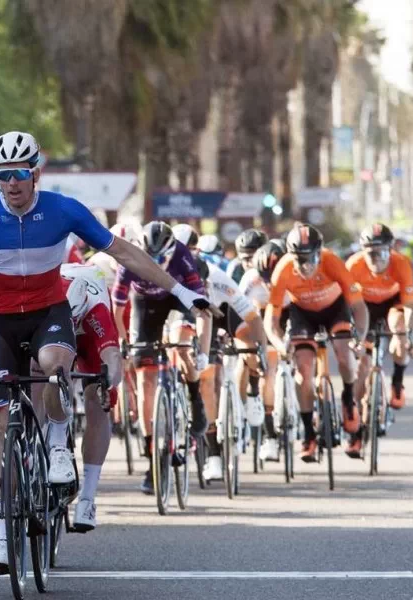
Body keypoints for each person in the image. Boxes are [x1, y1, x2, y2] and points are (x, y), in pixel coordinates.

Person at [0, 131, 209, 574]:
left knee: (53, 368)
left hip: (49, 312)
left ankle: (60, 447)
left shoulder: (62, 210)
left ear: (36, 173)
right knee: (3, 427)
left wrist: (180, 290)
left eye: (20, 173)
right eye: (3, 175)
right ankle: (3, 537)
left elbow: (122, 251)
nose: (12, 183)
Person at [114, 221, 212, 495]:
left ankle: (194, 397)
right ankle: (152, 457)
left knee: (181, 345)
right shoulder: (130, 258)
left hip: (178, 299)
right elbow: (117, 305)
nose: (154, 264)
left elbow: (202, 310)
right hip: (145, 305)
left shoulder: (183, 256)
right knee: (145, 378)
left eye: (160, 259)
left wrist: (202, 352)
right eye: (150, 258)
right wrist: (123, 341)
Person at [171, 225, 267, 483]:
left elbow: (251, 316)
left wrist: (261, 351)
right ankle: (204, 439)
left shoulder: (217, 278)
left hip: (222, 314)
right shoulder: (168, 275)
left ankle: (252, 391)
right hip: (187, 314)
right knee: (193, 364)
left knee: (217, 368)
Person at [266, 223, 367, 462]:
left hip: (335, 310)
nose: (307, 265)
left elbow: (359, 306)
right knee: (303, 371)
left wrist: (360, 338)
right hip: (303, 314)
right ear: (291, 257)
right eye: (300, 260)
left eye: (312, 258)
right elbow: (272, 318)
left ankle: (347, 398)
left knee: (344, 355)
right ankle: (309, 435)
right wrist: (280, 344)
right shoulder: (283, 270)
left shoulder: (333, 262)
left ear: (320, 253)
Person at [59, 262, 123, 532]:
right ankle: (50, 450)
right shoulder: (48, 297)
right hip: (52, 326)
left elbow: (112, 356)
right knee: (42, 380)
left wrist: (109, 383)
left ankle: (87, 498)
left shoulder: (96, 309)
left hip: (89, 340)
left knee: (98, 398)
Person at [347, 224, 413, 451]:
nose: (376, 259)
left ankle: (397, 382)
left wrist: (412, 340)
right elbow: (347, 307)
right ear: (362, 252)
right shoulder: (354, 266)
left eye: (382, 252)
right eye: (371, 253)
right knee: (361, 369)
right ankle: (356, 432)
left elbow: (410, 307)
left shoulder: (401, 264)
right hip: (364, 307)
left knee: (400, 333)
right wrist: (352, 336)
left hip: (392, 304)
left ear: (391, 249)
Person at [241, 242, 288, 460]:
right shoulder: (250, 280)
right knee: (267, 370)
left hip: (288, 315)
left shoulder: (291, 273)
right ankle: (270, 435)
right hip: (259, 317)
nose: (269, 284)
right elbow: (236, 309)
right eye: (264, 278)